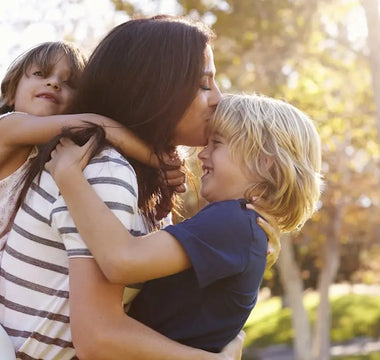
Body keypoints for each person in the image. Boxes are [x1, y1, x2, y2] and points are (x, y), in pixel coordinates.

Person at [0, 16, 265, 360]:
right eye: (203, 84)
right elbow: (98, 338)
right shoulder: (101, 170)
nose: (218, 98)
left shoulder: (134, 181)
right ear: (155, 87)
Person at [45, 93, 322, 352]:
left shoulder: (233, 221)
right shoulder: (243, 228)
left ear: (265, 163)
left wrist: (69, 176)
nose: (202, 154)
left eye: (217, 143)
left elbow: (122, 260)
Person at [0, 41, 180, 254]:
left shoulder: (60, 154)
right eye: (41, 73)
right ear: (11, 93)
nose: (54, 83)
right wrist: (161, 162)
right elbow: (98, 124)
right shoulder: (8, 126)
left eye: (70, 83)